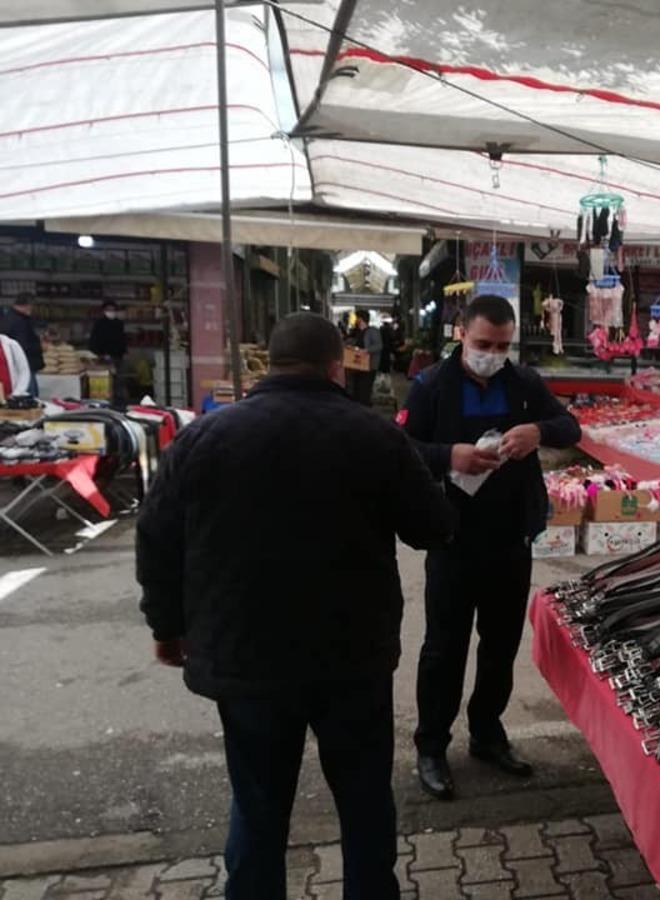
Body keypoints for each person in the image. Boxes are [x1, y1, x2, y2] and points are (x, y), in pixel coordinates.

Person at [136, 313, 455, 900]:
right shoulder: (376, 436)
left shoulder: (203, 437)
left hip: (245, 660)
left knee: (257, 806)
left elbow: (156, 538)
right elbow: (431, 528)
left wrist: (167, 626)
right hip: (351, 660)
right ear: (337, 365)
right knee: (363, 801)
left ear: (271, 364)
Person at [402, 294, 582, 801]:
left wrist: (538, 431)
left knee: (500, 645)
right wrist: (447, 455)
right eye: (483, 343)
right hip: (453, 538)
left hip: (510, 538)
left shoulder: (523, 383)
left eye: (502, 345)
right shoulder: (432, 386)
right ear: (461, 332)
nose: (492, 353)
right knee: (444, 648)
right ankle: (432, 746)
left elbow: (570, 427)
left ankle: (488, 733)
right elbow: (401, 449)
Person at [0, 294, 44, 397]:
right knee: (28, 397)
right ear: (28, 305)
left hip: (17, 365)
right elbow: (22, 346)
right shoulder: (19, 322)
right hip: (24, 364)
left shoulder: (9, 318)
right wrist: (39, 347)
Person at [89, 300, 129, 405]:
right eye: (108, 310)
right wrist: (100, 354)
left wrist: (124, 352)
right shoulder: (99, 324)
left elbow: (123, 340)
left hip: (118, 356)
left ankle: (120, 402)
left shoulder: (119, 323)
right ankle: (106, 400)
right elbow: (94, 340)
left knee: (119, 380)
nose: (111, 312)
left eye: (113, 310)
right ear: (103, 311)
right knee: (106, 379)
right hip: (103, 357)